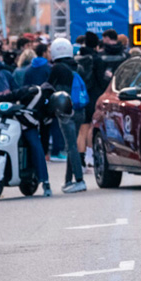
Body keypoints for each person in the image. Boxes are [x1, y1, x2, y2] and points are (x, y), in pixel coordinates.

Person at [0, 83, 54, 197]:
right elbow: (12, 95)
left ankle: (45, 181)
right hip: (13, 122)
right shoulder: (34, 91)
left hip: (28, 128)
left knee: (36, 147)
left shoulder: (49, 110)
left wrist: (44, 151)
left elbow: (45, 132)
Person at [49, 38, 87, 194]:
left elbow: (49, 86)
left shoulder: (57, 68)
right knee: (72, 143)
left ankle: (79, 180)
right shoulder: (79, 67)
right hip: (80, 110)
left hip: (65, 111)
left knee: (71, 146)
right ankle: (68, 180)